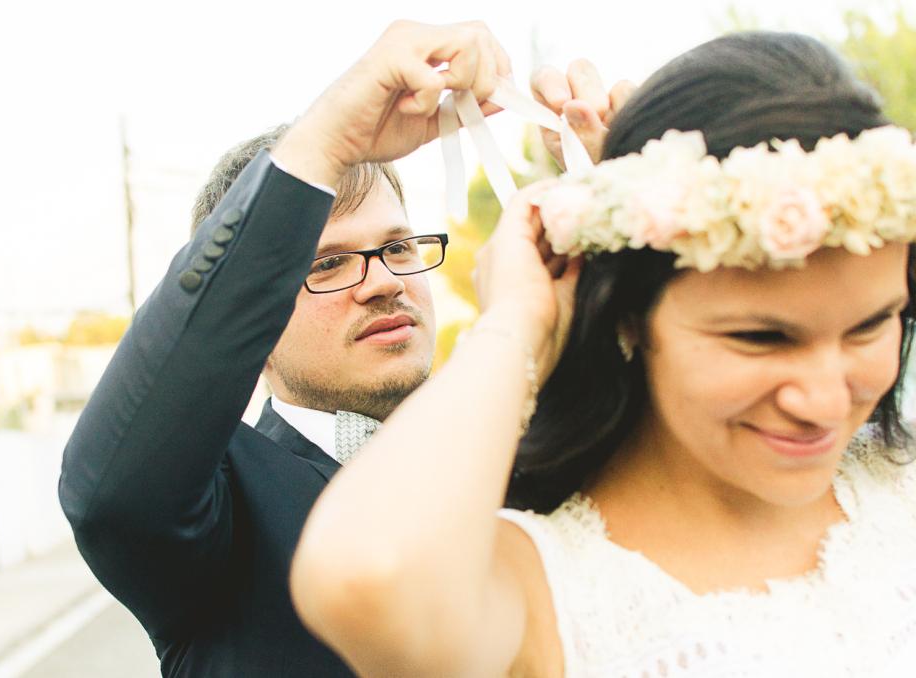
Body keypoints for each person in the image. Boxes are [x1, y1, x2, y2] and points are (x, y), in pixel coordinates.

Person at [291, 31, 916, 677]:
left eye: (869, 327)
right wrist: (519, 320)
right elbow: (363, 576)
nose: (823, 402)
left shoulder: (899, 477)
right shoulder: (534, 586)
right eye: (761, 338)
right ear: (628, 316)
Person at [58, 20, 513, 677]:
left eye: (397, 246)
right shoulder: (216, 513)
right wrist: (328, 139)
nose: (384, 280)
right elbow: (110, 497)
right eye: (326, 265)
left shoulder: (513, 444)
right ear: (252, 311)